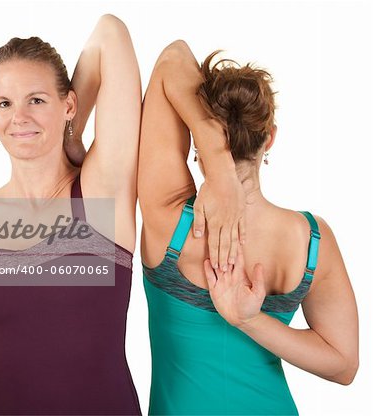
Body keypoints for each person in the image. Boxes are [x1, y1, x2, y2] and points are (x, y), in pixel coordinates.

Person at [138, 40, 359, 415]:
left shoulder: (168, 217)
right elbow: (343, 364)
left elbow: (172, 58)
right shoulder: (309, 239)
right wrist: (252, 321)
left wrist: (215, 154)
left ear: (196, 133)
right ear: (268, 137)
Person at [0, 15, 143, 415]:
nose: (19, 116)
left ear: (68, 103)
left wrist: (74, 135)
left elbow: (111, 32)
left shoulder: (100, 193)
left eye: (36, 100)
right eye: (5, 102)